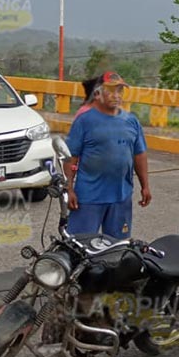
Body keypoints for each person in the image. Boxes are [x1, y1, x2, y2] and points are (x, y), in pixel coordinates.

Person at [65, 71, 152, 239]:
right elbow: (71, 157)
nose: (116, 95)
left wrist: (145, 186)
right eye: (111, 90)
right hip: (89, 198)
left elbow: (139, 154)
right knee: (80, 245)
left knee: (118, 247)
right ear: (97, 94)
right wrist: (69, 189)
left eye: (120, 91)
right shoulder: (84, 121)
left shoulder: (131, 121)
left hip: (121, 196)